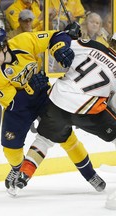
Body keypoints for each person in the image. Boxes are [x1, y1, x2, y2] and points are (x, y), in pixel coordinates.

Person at [0, 24, 102, 196]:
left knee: (67, 137)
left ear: (5, 46)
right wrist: (30, 88)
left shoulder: (23, 41)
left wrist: (60, 48)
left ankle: (90, 174)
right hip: (19, 107)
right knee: (10, 148)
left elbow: (56, 36)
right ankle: (17, 168)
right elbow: (12, 103)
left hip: (44, 96)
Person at [12, 33, 116, 195]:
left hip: (58, 100)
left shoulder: (92, 45)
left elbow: (59, 40)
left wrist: (62, 45)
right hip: (87, 110)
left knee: (44, 139)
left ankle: (22, 178)